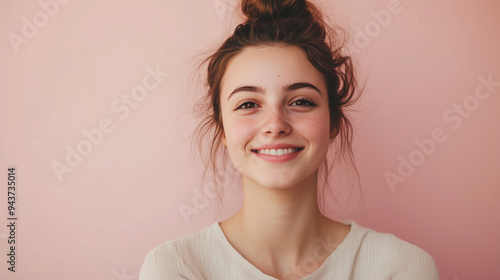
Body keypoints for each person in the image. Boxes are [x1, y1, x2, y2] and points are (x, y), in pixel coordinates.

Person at [139, 0, 440, 279]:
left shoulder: (400, 268)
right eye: (248, 104)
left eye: (300, 101)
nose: (275, 125)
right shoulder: (175, 268)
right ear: (222, 131)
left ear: (332, 121)